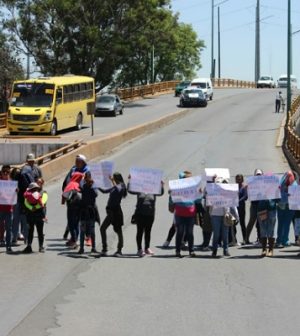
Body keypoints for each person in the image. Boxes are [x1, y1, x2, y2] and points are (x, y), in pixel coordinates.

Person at [128, 175, 164, 257]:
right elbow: (130, 190)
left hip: (150, 214)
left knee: (148, 231)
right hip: (140, 214)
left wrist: (161, 185)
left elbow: (161, 193)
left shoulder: (153, 191)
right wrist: (130, 181)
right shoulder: (139, 189)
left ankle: (147, 248)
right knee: (140, 231)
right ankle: (139, 249)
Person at [169, 171, 198, 258]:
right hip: (180, 213)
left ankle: (191, 251)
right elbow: (171, 200)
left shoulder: (193, 188)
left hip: (190, 213)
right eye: (186, 179)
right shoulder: (177, 188)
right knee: (180, 232)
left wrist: (200, 193)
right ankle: (178, 251)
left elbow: (198, 200)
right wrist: (171, 195)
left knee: (190, 233)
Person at [62, 154, 90, 243]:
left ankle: (88, 237)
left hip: (84, 199)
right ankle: (74, 238)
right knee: (73, 221)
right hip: (71, 198)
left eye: (78, 162)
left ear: (83, 163)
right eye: (76, 161)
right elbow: (66, 183)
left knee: (84, 220)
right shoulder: (73, 170)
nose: (76, 163)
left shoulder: (88, 172)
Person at [210, 178, 239, 257]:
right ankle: (214, 250)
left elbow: (233, 204)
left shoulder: (228, 192)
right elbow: (208, 199)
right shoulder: (212, 192)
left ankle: (225, 250)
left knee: (225, 234)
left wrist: (236, 215)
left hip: (226, 215)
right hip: (215, 215)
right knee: (216, 234)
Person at [100, 172, 127, 257]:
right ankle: (104, 249)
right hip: (110, 211)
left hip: (116, 212)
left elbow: (119, 189)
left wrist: (112, 181)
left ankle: (119, 250)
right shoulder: (114, 187)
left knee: (118, 231)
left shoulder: (121, 186)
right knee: (103, 229)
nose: (113, 179)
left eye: (114, 178)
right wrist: (96, 186)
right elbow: (104, 191)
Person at [18, 153, 43, 242]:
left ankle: (39, 243)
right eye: (29, 161)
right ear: (27, 161)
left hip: (37, 197)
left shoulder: (37, 169)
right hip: (27, 198)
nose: (31, 162)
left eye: (32, 161)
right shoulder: (23, 171)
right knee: (26, 219)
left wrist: (39, 193)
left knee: (38, 221)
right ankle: (26, 238)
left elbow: (41, 181)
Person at [78, 172, 100, 254]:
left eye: (89, 178)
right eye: (87, 178)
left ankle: (93, 248)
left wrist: (92, 185)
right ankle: (81, 248)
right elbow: (79, 187)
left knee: (92, 231)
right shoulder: (83, 187)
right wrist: (82, 179)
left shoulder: (93, 187)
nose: (88, 179)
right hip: (84, 212)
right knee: (82, 231)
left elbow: (96, 194)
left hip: (91, 212)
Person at [23, 182, 48, 253]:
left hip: (39, 215)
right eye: (38, 183)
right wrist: (32, 207)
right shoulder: (29, 194)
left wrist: (33, 207)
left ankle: (41, 247)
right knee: (30, 231)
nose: (39, 184)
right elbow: (26, 202)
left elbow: (43, 201)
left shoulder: (44, 192)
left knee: (40, 232)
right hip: (31, 215)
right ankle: (29, 246)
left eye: (40, 183)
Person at [61, 172, 83, 249]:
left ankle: (74, 241)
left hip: (71, 207)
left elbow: (64, 195)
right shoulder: (79, 185)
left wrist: (63, 202)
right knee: (76, 223)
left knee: (71, 224)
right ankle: (75, 239)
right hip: (79, 207)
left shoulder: (70, 184)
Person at [276, 171, 297, 247]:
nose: (289, 177)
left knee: (286, 224)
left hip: (290, 207)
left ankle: (285, 240)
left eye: (290, 176)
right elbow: (277, 193)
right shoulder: (280, 184)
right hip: (281, 206)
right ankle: (279, 240)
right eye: (288, 176)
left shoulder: (294, 185)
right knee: (281, 223)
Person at [245, 169, 263, 245]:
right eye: (257, 175)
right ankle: (246, 239)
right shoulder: (251, 183)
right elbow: (247, 190)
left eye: (260, 175)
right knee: (251, 221)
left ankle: (261, 239)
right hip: (254, 205)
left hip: (262, 205)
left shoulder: (265, 183)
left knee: (261, 222)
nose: (258, 176)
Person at [0, 165, 14, 253]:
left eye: (7, 172)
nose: (5, 174)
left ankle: (8, 246)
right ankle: (1, 240)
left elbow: (14, 195)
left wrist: (16, 190)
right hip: (0, 209)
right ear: (1, 173)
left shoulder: (12, 183)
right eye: (4, 172)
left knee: (8, 229)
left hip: (9, 209)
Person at [235, 174, 248, 244]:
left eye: (239, 179)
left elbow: (246, 197)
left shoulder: (244, 187)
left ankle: (245, 239)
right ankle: (234, 240)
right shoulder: (233, 187)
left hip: (241, 208)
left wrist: (238, 201)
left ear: (242, 180)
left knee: (242, 224)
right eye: (237, 179)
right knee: (233, 223)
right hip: (234, 208)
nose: (238, 181)